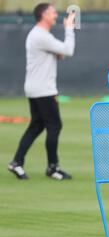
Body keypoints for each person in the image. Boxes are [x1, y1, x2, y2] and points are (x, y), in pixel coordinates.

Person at [8, 3, 76, 180]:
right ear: (43, 15)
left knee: (37, 126)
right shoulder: (40, 35)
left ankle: (17, 162)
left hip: (35, 87)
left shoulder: (40, 35)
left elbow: (59, 54)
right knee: (55, 126)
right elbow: (68, 50)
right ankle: (52, 167)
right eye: (53, 12)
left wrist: (58, 52)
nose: (56, 15)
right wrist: (69, 29)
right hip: (43, 89)